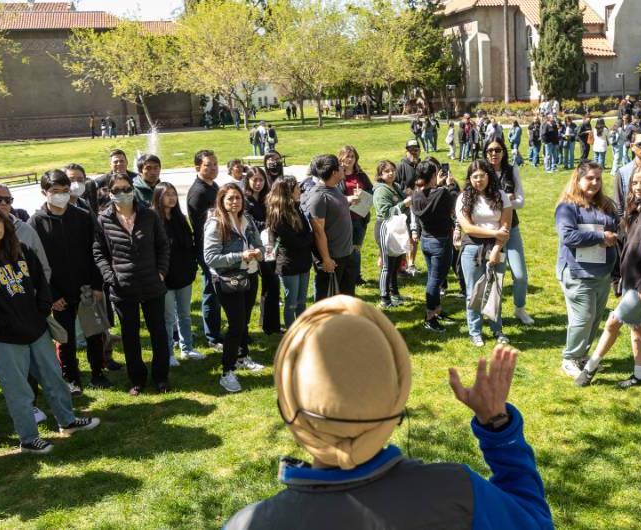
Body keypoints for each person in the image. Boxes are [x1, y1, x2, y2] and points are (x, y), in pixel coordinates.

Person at [224, 296, 552, 530]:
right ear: (397, 398)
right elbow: (533, 521)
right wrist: (498, 428)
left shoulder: (249, 524)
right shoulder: (459, 493)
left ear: (287, 406)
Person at [0, 202, 100, 455]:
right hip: (4, 340)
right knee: (19, 391)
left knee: (54, 379)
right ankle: (28, 438)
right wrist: (7, 328)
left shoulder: (20, 250)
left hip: (36, 330)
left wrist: (42, 310)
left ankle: (67, 421)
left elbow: (41, 284)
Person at [574, 164, 641, 388]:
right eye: (635, 183)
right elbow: (623, 245)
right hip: (631, 279)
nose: (638, 187)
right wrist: (618, 279)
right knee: (636, 326)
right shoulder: (635, 209)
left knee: (612, 322)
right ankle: (640, 374)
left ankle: (589, 369)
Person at [30, 171, 111, 392]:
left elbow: (94, 252)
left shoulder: (82, 216)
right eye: (55, 192)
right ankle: (71, 377)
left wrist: (96, 285)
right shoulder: (36, 222)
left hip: (85, 286)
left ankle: (98, 372)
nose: (61, 196)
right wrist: (51, 295)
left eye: (65, 191)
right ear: (44, 192)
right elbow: (36, 263)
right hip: (58, 291)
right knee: (65, 338)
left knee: (94, 331)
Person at [94, 173, 171, 396]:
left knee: (158, 333)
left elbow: (163, 246)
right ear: (110, 193)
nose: (123, 194)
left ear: (133, 189)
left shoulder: (149, 215)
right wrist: (110, 276)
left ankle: (161, 377)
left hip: (152, 284)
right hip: (122, 287)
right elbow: (99, 252)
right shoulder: (103, 219)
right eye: (117, 190)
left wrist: (161, 273)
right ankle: (136, 379)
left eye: (126, 188)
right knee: (130, 336)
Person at [555, 162, 619, 378]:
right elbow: (568, 236)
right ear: (578, 179)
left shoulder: (606, 205)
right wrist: (600, 237)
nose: (594, 183)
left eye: (598, 179)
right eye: (590, 178)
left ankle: (582, 356)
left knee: (594, 318)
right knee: (582, 317)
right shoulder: (567, 207)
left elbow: (617, 227)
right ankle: (569, 358)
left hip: (602, 272)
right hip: (577, 272)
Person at [203, 183, 266, 394]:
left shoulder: (246, 220)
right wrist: (240, 256)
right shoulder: (216, 224)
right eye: (230, 198)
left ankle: (241, 357)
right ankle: (226, 372)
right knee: (236, 325)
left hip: (250, 274)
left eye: (237, 198)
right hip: (228, 280)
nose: (234, 202)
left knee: (244, 321)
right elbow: (210, 257)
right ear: (221, 200)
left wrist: (260, 252)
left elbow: (260, 244)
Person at [456, 160, 512, 346]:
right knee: (473, 291)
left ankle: (497, 329)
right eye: (474, 176)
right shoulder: (463, 198)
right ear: (469, 179)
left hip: (496, 246)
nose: (478, 180)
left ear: (488, 176)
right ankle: (475, 331)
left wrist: (496, 248)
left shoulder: (501, 196)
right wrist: (494, 232)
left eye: (481, 175)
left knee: (494, 290)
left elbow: (505, 226)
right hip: (472, 248)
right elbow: (468, 228)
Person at [151, 182, 201, 365]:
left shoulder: (180, 218)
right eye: (167, 194)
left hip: (184, 276)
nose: (171, 197)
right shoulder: (153, 219)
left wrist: (191, 267)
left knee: (185, 315)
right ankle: (169, 353)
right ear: (158, 197)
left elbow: (189, 244)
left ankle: (187, 348)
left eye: (173, 194)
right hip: (165, 279)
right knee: (168, 318)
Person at [484, 139, 534, 325]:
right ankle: (493, 314)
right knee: (495, 274)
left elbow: (521, 201)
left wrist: (503, 201)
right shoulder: (482, 171)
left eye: (497, 150)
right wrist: (507, 198)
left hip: (511, 228)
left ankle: (519, 309)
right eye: (489, 150)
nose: (493, 154)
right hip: (490, 230)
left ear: (504, 152)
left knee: (520, 275)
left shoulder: (511, 171)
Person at [410, 160, 457, 332]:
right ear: (432, 175)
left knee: (433, 277)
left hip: (426, 240)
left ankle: (436, 310)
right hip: (441, 241)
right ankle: (430, 317)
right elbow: (453, 208)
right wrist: (451, 186)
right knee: (435, 280)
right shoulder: (442, 193)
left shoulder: (415, 195)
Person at [187, 150, 223, 350]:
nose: (213, 168)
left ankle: (215, 332)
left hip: (218, 246)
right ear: (197, 167)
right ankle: (212, 336)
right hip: (207, 249)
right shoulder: (199, 192)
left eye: (215, 164)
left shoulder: (213, 185)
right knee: (212, 291)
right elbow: (202, 226)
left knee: (217, 290)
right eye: (208, 165)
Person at [306, 155, 356, 301]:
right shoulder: (319, 197)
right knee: (328, 300)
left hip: (345, 252)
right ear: (334, 172)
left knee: (346, 298)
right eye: (340, 166)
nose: (343, 168)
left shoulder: (334, 189)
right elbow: (318, 231)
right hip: (332, 258)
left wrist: (349, 201)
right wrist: (326, 259)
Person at [266, 178, 312, 328]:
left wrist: (309, 235)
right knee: (291, 302)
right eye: (297, 188)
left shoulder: (296, 208)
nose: (300, 190)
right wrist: (312, 236)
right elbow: (295, 240)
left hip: (303, 261)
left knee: (301, 301)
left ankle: (302, 329)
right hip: (289, 264)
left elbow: (305, 231)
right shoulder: (278, 215)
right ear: (288, 192)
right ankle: (292, 332)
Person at [244, 167, 281, 335]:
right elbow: (249, 224)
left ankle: (269, 324)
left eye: (261, 180)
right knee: (270, 283)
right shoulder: (246, 200)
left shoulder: (267, 198)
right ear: (248, 181)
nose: (258, 183)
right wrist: (269, 224)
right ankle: (268, 325)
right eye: (254, 180)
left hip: (270, 246)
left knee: (271, 285)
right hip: (254, 248)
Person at [372, 160, 411, 308]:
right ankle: (384, 298)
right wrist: (404, 204)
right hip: (385, 228)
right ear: (380, 174)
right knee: (387, 265)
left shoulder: (395, 186)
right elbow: (386, 212)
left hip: (397, 227)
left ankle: (394, 294)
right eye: (387, 171)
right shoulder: (381, 190)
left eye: (393, 170)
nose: (391, 173)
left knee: (395, 265)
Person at [338, 146, 373, 290]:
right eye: (347, 156)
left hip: (360, 216)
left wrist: (363, 195)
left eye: (352, 156)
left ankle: (356, 276)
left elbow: (371, 190)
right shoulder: (338, 175)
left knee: (356, 248)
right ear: (341, 158)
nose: (350, 159)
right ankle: (347, 275)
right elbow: (334, 195)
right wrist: (349, 198)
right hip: (344, 218)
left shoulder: (361, 175)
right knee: (346, 249)